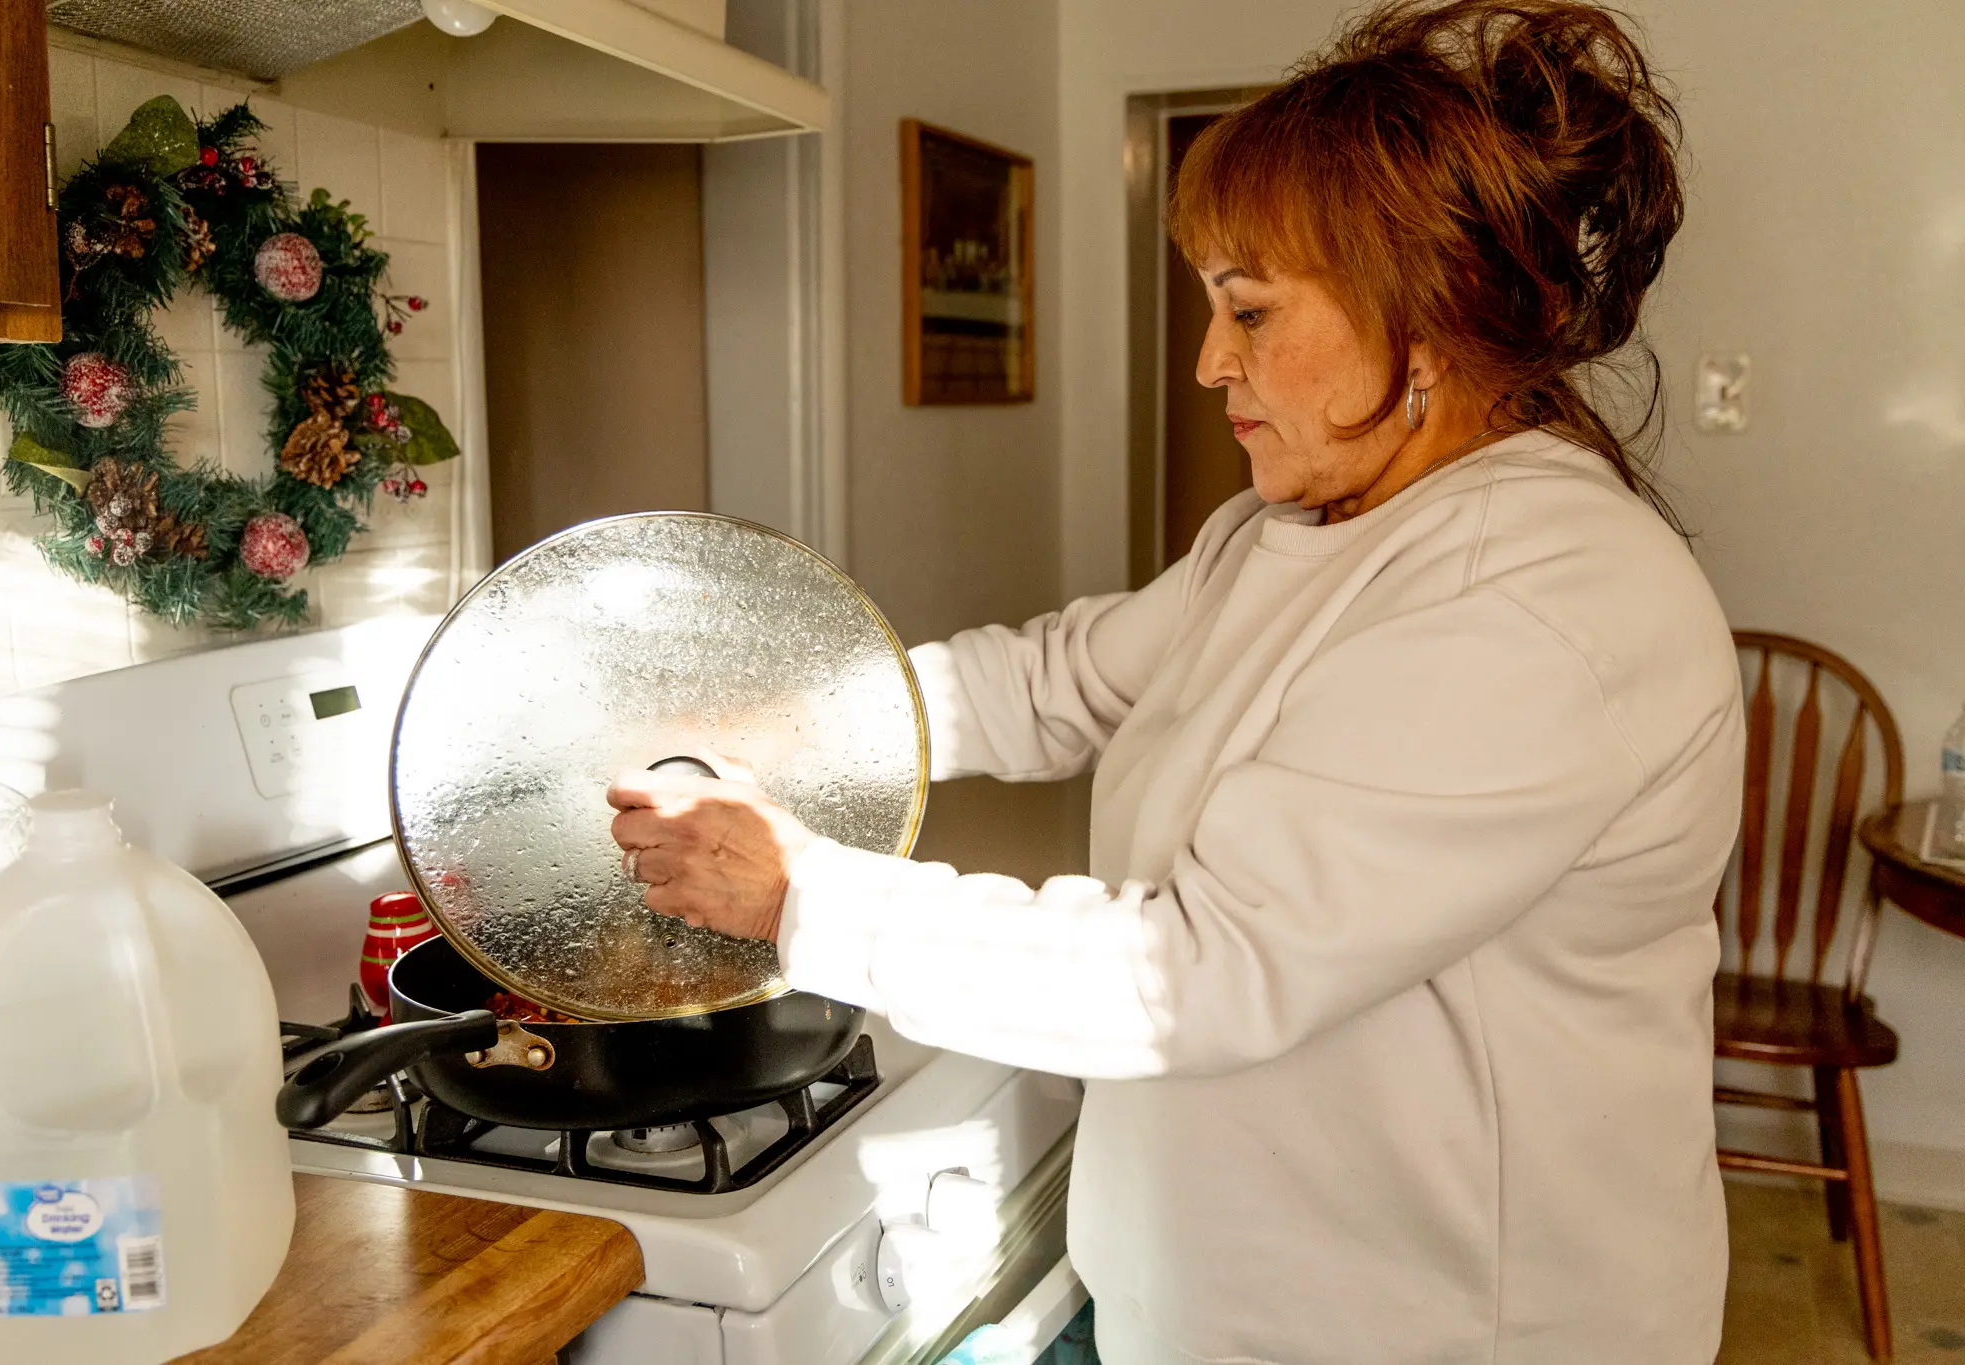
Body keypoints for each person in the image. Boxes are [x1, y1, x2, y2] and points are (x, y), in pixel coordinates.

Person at [607, 2, 1743, 1361]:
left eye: (1249, 310)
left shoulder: (1547, 601)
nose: (1212, 362)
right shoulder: (1292, 531)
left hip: (1446, 1326)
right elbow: (1060, 681)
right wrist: (805, 728)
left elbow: (1199, 970)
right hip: (1222, 1302)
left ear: (1426, 319)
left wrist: (804, 895)